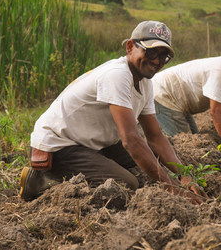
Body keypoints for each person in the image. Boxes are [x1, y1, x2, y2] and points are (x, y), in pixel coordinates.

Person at [20, 21, 206, 204]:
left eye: (164, 56)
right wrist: (171, 187)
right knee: (125, 185)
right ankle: (45, 180)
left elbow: (156, 138)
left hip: (90, 142)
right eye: (151, 52)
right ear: (130, 47)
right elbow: (131, 140)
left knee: (149, 157)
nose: (157, 61)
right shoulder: (117, 75)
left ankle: (91, 167)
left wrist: (185, 176)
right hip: (59, 145)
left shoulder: (145, 82)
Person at [152, 43, 221, 159]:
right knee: (186, 146)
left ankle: (147, 129)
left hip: (180, 103)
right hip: (164, 95)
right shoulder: (220, 70)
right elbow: (216, 112)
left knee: (195, 139)